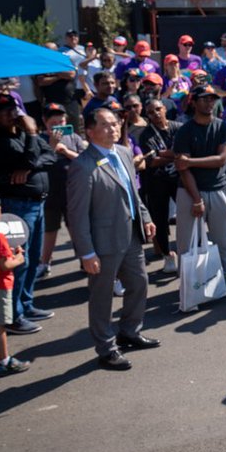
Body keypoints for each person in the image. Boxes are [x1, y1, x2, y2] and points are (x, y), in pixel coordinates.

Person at [66, 107, 160, 370]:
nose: (113, 129)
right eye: (106, 125)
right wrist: (86, 253)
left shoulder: (124, 152)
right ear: (90, 131)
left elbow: (133, 191)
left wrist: (146, 216)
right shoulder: (82, 166)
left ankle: (129, 331)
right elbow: (77, 214)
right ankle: (106, 348)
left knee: (139, 283)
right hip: (103, 242)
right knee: (102, 295)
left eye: (115, 124)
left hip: (130, 234)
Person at [173, 84, 226, 301]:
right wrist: (196, 200)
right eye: (204, 99)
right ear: (193, 102)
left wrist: (190, 161)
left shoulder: (223, 126)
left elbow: (221, 160)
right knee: (186, 245)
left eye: (212, 99)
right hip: (189, 192)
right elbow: (182, 170)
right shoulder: (184, 130)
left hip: (218, 190)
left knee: (223, 241)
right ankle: (188, 290)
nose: (209, 102)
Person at [0, 95, 54, 335]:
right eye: (5, 111)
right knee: (21, 261)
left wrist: (29, 167)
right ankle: (13, 316)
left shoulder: (20, 132)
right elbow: (31, 156)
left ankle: (26, 304)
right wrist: (32, 134)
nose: (13, 114)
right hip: (17, 204)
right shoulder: (2, 140)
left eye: (14, 108)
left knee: (33, 256)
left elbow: (49, 156)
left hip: (36, 203)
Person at [38, 103, 86, 279]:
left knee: (75, 227)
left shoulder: (74, 138)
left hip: (73, 190)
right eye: (54, 122)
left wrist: (66, 151)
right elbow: (38, 163)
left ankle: (84, 259)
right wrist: (51, 146)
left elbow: (85, 160)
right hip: (50, 192)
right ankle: (45, 263)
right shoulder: (39, 139)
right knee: (50, 230)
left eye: (62, 121)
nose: (58, 125)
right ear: (45, 121)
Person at [136, 98, 180, 273]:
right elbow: (151, 161)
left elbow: (184, 151)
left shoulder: (178, 127)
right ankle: (167, 255)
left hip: (178, 178)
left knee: (186, 214)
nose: (155, 114)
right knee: (160, 220)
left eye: (158, 109)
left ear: (164, 109)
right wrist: (174, 155)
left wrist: (166, 154)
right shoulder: (146, 134)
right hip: (156, 181)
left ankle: (190, 248)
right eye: (151, 112)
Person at [0, 199, 30, 375]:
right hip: (0, 286)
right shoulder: (0, 237)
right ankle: (4, 360)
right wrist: (18, 258)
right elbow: (4, 265)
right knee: (0, 326)